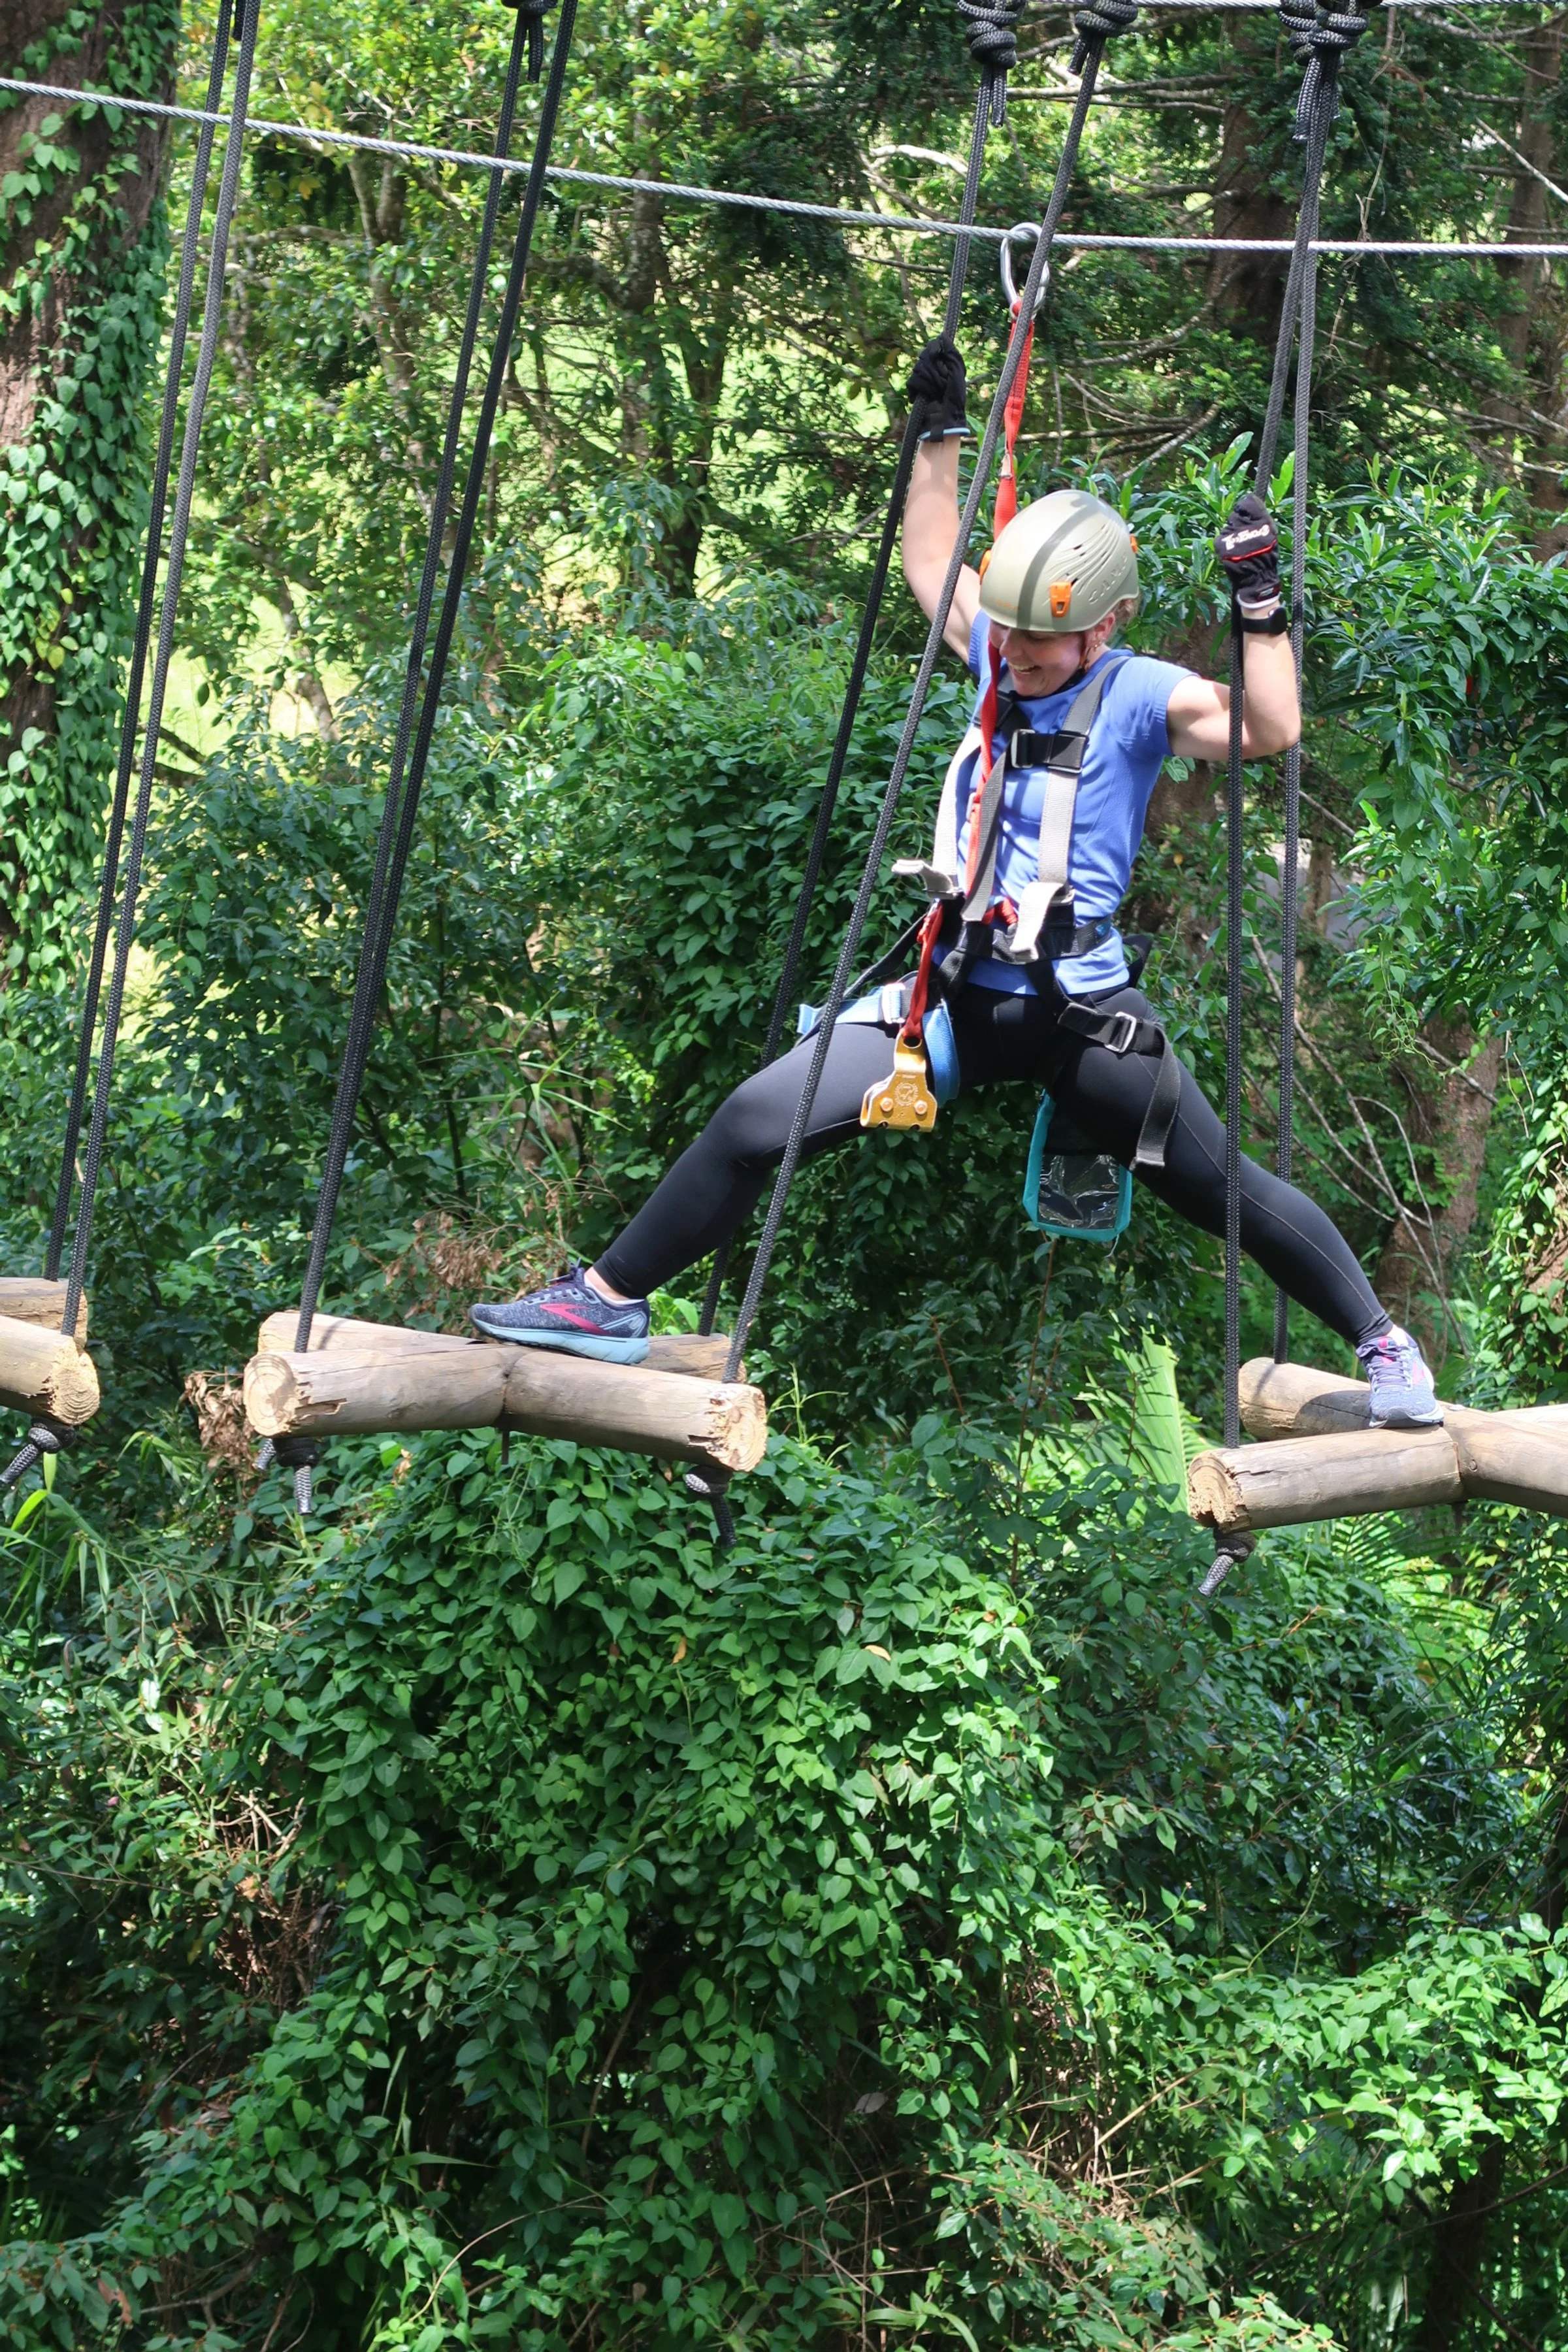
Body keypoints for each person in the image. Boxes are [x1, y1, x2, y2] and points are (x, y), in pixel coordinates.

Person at [470, 338, 1441, 1429]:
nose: (1018, 653)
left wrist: (1259, 601)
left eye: (1045, 640)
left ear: (1104, 627)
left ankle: (1386, 1348)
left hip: (1082, 1018)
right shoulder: (997, 653)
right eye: (1013, 634)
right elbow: (934, 560)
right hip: (955, 1000)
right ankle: (605, 1304)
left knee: (1219, 1188)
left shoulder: (1136, 695)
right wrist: (937, 432)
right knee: (754, 1118)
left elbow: (1270, 728)